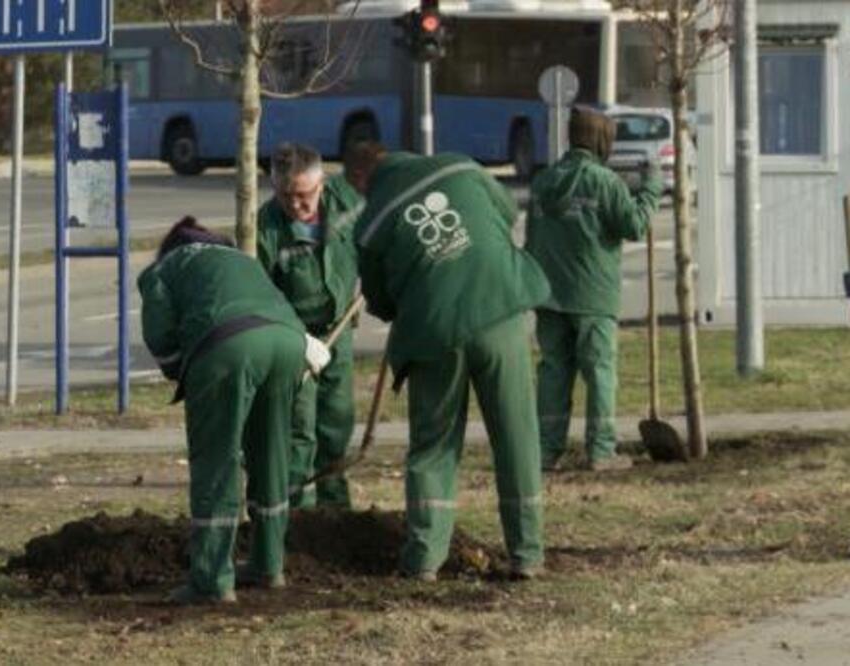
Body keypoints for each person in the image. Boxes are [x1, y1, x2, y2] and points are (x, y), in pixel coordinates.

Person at [344, 142, 552, 581]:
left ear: (361, 179)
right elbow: (505, 213)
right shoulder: (462, 164)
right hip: (501, 313)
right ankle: (527, 554)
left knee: (434, 446)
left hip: (433, 335)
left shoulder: (371, 222)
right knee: (516, 435)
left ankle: (423, 557)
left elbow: (379, 300)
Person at [138, 216, 332, 605]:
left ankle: (211, 581)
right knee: (270, 455)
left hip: (226, 345)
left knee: (218, 461)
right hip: (288, 342)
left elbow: (159, 335)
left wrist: (182, 369)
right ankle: (268, 564)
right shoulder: (242, 259)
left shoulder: (163, 269)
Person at [525, 107, 662, 472]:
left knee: (553, 370)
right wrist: (651, 189)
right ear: (603, 140)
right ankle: (601, 451)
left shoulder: (543, 181)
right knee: (599, 371)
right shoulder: (605, 182)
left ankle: (544, 451)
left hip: (548, 294)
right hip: (592, 294)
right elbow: (633, 226)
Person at [257, 143, 364, 509]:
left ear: (321, 184)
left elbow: (372, 239)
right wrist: (296, 341)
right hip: (293, 340)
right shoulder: (266, 228)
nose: (296, 205)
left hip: (340, 328)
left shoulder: (346, 204)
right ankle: (292, 516)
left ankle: (335, 513)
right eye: (286, 196)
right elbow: (261, 296)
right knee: (298, 431)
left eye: (304, 195)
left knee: (336, 423)